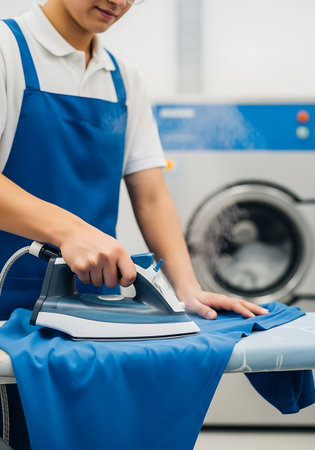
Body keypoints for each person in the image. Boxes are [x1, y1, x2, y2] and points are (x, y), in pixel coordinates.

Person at [0, 0, 269, 323]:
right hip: (7, 303)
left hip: (94, 309)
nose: (121, 2)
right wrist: (70, 231)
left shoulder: (124, 80)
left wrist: (186, 288)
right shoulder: (7, 50)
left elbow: (152, 198)